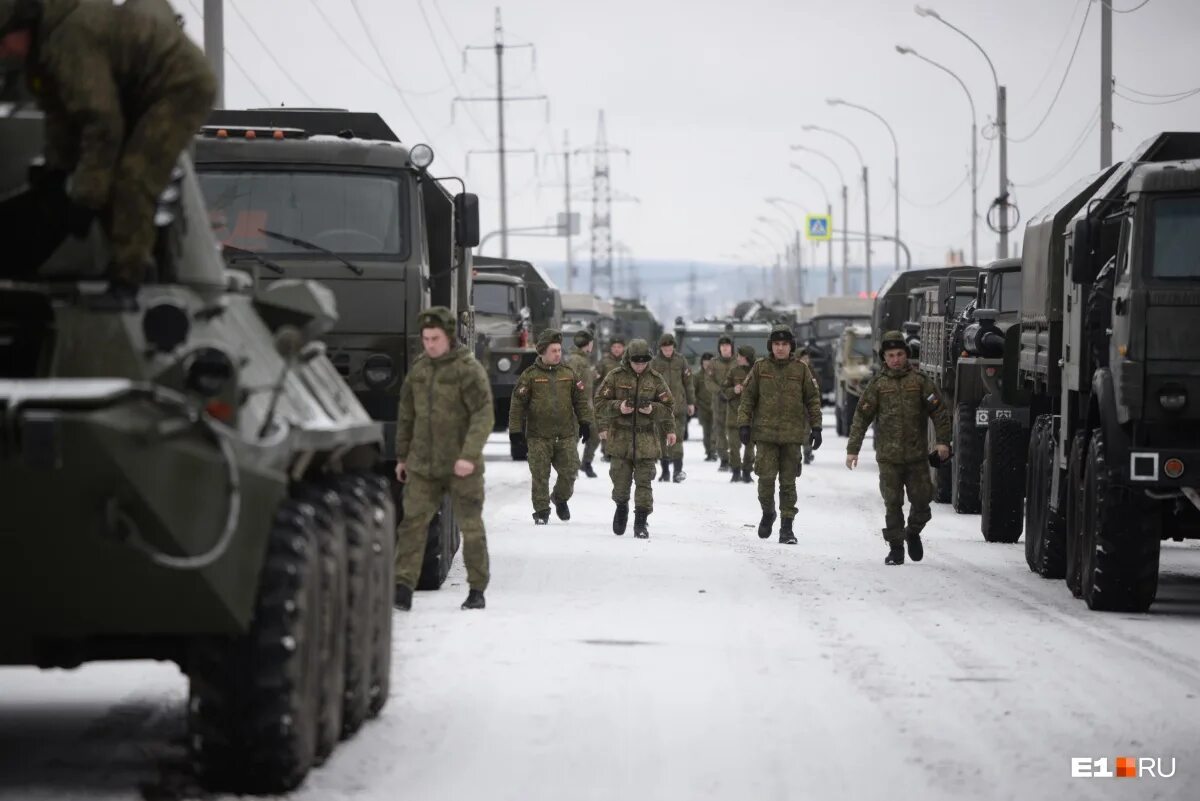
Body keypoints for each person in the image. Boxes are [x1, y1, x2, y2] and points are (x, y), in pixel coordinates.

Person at [0, 0, 217, 308]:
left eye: (3, 39)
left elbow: (102, 123)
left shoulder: (68, 39)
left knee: (133, 177)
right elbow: (61, 118)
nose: (3, 51)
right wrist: (57, 170)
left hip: (176, 86)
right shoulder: (41, 57)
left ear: (22, 26)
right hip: (130, 93)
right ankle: (131, 261)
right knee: (101, 178)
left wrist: (85, 195)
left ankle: (128, 282)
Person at [393, 307, 493, 610]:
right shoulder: (420, 370)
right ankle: (403, 587)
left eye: (435, 338)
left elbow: (483, 414)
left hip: (461, 465)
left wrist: (469, 455)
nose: (430, 344)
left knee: (471, 527)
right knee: (412, 524)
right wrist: (402, 456)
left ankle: (477, 589)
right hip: (423, 464)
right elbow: (407, 414)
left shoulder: (467, 369)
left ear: (448, 337)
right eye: (425, 338)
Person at [846, 330, 952, 565]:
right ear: (884, 358)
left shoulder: (920, 383)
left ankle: (912, 532)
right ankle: (896, 549)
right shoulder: (877, 386)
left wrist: (943, 442)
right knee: (892, 504)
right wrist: (853, 449)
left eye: (900, 354)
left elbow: (939, 412)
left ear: (906, 355)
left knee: (923, 502)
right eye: (891, 355)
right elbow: (861, 418)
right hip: (888, 458)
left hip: (917, 457)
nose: (895, 359)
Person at [737, 324, 822, 544]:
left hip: (792, 437)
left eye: (784, 344)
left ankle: (787, 528)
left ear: (791, 346)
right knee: (765, 481)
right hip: (765, 436)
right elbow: (747, 398)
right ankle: (768, 512)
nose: (781, 348)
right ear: (771, 346)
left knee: (788, 483)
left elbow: (812, 400)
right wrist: (744, 424)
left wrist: (817, 427)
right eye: (777, 344)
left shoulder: (801, 370)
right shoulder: (760, 368)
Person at [509, 328, 593, 525]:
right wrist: (515, 431)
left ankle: (560, 498)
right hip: (539, 436)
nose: (558, 354)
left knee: (571, 471)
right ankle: (541, 512)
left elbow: (580, 401)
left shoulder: (569, 374)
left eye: (559, 350)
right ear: (542, 352)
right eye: (553, 351)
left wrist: (585, 422)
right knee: (540, 475)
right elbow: (517, 405)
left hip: (565, 435)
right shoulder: (529, 376)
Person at [595, 338, 676, 538]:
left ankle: (641, 521)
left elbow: (668, 407)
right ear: (628, 359)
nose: (640, 366)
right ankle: (621, 507)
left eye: (643, 362)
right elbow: (599, 402)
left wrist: (657, 415)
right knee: (620, 483)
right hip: (620, 438)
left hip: (646, 439)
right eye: (636, 362)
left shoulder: (656, 379)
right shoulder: (615, 376)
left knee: (644, 482)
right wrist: (618, 407)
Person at [650, 332, 695, 483]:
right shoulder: (654, 363)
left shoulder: (681, 360)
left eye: (670, 348)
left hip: (679, 407)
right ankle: (665, 471)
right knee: (662, 440)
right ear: (661, 348)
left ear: (673, 347)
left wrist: (691, 402)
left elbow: (688, 383)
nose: (668, 351)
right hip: (661, 409)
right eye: (665, 348)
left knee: (678, 439)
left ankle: (677, 471)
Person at [566, 329, 601, 478]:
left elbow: (581, 381)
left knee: (595, 436)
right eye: (591, 343)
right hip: (576, 407)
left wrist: (591, 376)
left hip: (587, 406)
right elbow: (570, 381)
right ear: (587, 344)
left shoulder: (584, 359)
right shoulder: (575, 359)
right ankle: (570, 470)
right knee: (573, 439)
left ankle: (585, 463)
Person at [722, 345, 757, 484]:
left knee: (750, 448)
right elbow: (724, 390)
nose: (737, 358)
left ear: (746, 358)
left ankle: (747, 472)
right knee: (734, 447)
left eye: (739, 356)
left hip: (752, 417)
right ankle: (735, 472)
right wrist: (733, 390)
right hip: (734, 417)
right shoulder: (733, 371)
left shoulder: (757, 372)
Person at [708, 334, 736, 471]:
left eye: (727, 345)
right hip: (719, 402)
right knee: (719, 432)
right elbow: (708, 381)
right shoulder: (713, 363)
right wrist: (719, 391)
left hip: (735, 403)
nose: (725, 348)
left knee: (733, 432)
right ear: (719, 348)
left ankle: (734, 459)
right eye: (722, 346)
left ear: (732, 347)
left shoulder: (738, 362)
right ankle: (724, 459)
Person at [597, 337, 626, 463]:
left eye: (619, 347)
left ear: (623, 348)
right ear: (611, 348)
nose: (616, 349)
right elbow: (597, 378)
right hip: (608, 397)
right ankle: (606, 451)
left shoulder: (627, 362)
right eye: (614, 347)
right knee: (607, 423)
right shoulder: (604, 362)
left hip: (623, 397)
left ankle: (621, 449)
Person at [795, 346, 821, 465]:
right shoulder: (794, 371)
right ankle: (798, 454)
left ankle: (807, 453)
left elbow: (817, 386)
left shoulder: (811, 371)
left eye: (807, 358)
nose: (806, 360)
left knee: (806, 431)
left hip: (807, 407)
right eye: (803, 358)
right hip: (795, 408)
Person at [694, 352, 716, 461]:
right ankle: (709, 451)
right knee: (706, 431)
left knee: (715, 430)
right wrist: (696, 403)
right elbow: (693, 391)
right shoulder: (697, 376)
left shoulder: (717, 375)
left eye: (709, 362)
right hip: (703, 408)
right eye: (705, 362)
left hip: (716, 407)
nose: (706, 364)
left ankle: (714, 450)